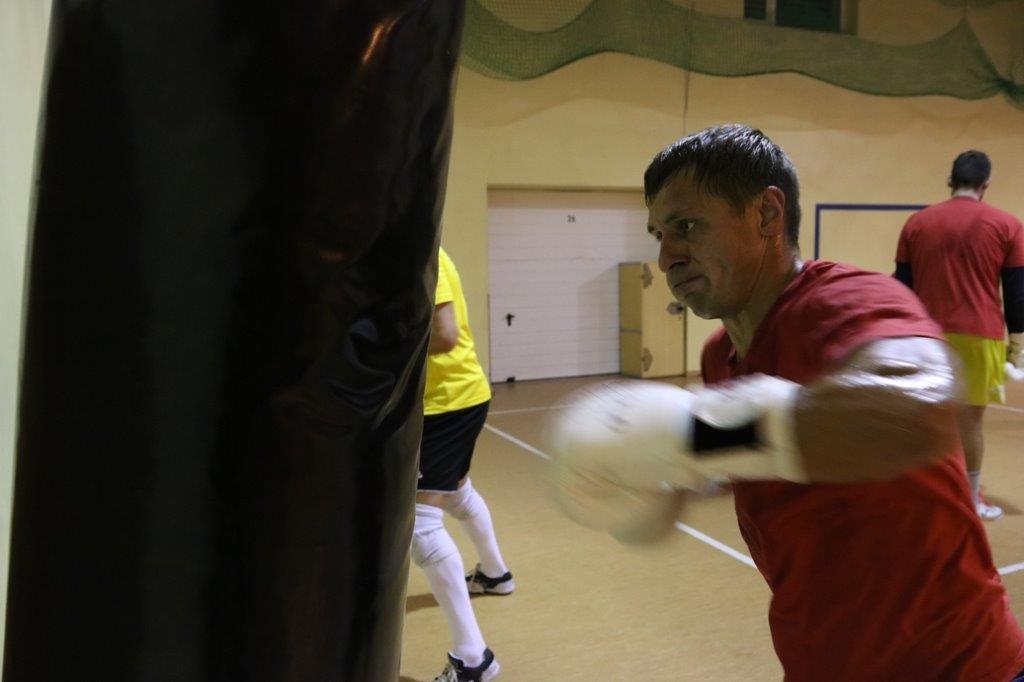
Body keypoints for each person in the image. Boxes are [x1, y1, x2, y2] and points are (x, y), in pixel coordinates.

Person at [546, 125, 1024, 681]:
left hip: (957, 667)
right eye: (659, 234)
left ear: (766, 214)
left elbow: (920, 413)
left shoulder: (849, 302)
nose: (666, 256)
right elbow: (764, 456)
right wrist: (663, 474)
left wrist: (690, 437)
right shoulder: (721, 355)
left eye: (686, 226)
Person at [894, 151, 1024, 520]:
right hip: (981, 335)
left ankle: (923, 493)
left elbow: (901, 286)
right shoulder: (1008, 225)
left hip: (926, 336)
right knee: (970, 422)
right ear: (986, 184)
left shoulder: (917, 223)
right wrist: (1017, 348)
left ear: (951, 181)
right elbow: (1017, 295)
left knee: (927, 419)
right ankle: (970, 499)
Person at [412, 246, 513, 682]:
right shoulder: (418, 247)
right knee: (456, 493)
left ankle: (473, 659)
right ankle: (494, 574)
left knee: (421, 525)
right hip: (459, 397)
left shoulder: (420, 250)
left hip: (446, 403)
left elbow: (445, 334)